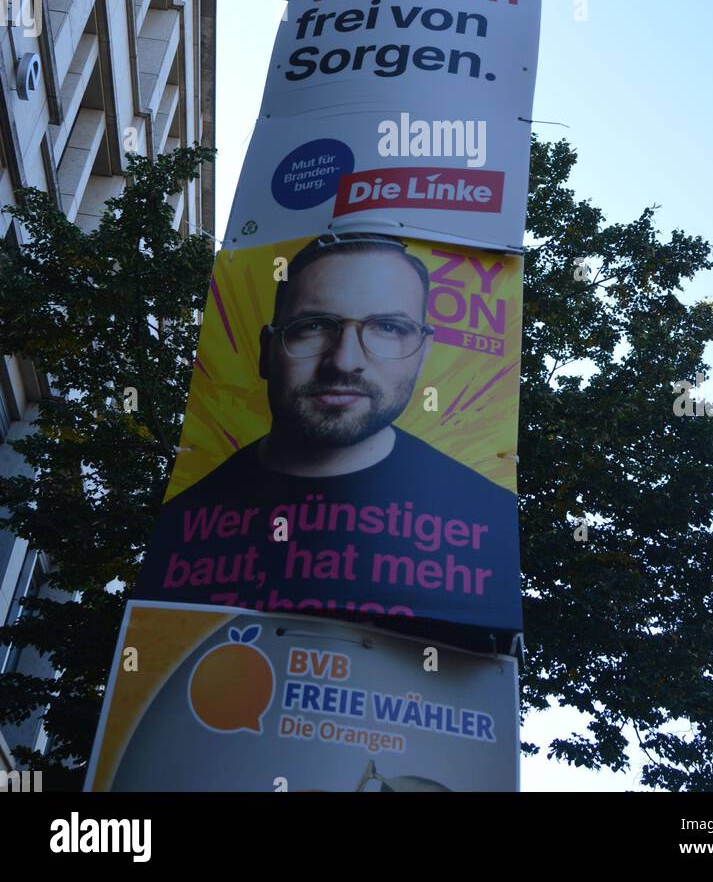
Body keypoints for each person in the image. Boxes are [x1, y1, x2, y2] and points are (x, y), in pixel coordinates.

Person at [134, 234, 521, 644]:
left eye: (388, 327)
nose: (344, 361)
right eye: (313, 326)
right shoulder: (183, 526)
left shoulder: (486, 524)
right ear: (267, 351)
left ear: (424, 353)